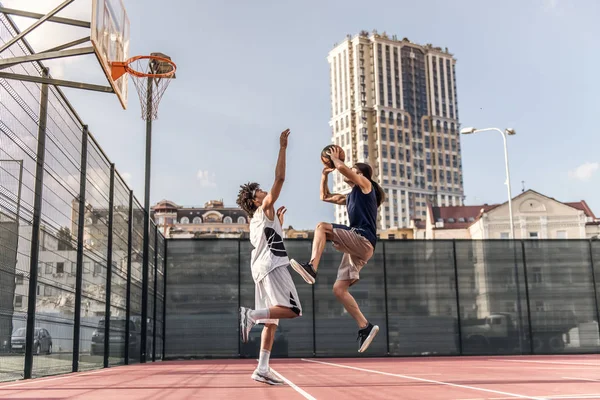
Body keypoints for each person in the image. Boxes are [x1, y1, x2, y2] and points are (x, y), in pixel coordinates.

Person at [290, 146, 385, 353]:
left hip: (362, 239)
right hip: (360, 248)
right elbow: (324, 196)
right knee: (338, 289)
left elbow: (345, 170)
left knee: (321, 227)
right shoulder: (349, 196)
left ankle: (312, 268)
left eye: (354, 170)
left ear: (361, 175)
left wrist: (335, 159)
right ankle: (365, 326)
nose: (350, 171)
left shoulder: (366, 186)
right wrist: (324, 175)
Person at [237, 129, 301, 385]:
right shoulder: (264, 208)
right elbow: (280, 177)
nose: (265, 191)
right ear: (255, 202)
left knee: (271, 322)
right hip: (273, 267)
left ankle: (262, 368)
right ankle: (250, 315)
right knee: (293, 310)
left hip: (261, 269)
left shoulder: (256, 220)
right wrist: (283, 147)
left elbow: (268, 239)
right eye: (260, 192)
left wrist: (280, 225)